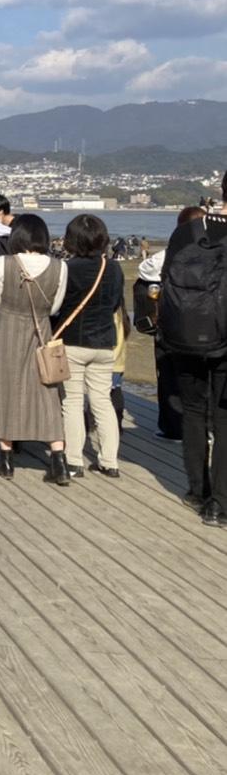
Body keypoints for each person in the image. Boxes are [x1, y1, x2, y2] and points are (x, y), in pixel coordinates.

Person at [0, 215, 70, 484]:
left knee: (4, 388)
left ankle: (6, 459)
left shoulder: (3, 263)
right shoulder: (60, 266)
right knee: (47, 392)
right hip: (41, 331)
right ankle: (58, 459)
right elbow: (56, 308)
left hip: (7, 329)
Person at [158, 174, 227, 525]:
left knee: (195, 412)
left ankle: (197, 490)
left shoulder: (188, 230)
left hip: (187, 334)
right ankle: (220, 503)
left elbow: (167, 278)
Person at [55, 215, 125, 480]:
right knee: (102, 400)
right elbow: (117, 303)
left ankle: (74, 460)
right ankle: (109, 460)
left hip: (73, 341)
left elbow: (58, 305)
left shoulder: (67, 268)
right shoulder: (115, 268)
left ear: (72, 239)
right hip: (104, 341)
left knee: (72, 401)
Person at [136, 208, 203, 441]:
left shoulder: (169, 254)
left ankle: (174, 428)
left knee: (170, 376)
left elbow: (144, 270)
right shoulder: (216, 251)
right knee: (202, 379)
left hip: (172, 324)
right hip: (208, 326)